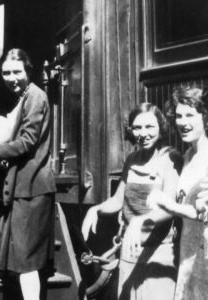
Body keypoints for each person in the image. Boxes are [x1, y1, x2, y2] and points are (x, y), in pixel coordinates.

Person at [0, 48, 56, 300]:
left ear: (28, 71)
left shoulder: (36, 97)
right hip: (23, 189)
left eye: (17, 71)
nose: (11, 77)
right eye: (5, 72)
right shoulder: (25, 96)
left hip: (32, 190)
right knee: (20, 263)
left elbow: (27, 142)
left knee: (26, 264)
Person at [82, 103, 182, 300]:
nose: (143, 133)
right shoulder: (131, 160)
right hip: (129, 253)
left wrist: (140, 222)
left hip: (158, 255)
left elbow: (168, 209)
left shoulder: (170, 158)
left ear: (160, 128)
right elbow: (118, 201)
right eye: (137, 127)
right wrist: (96, 209)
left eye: (149, 127)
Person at [147, 86, 208, 300]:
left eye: (190, 115)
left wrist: (168, 205)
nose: (182, 122)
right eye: (179, 116)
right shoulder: (190, 155)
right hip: (188, 251)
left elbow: (204, 213)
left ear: (206, 117)